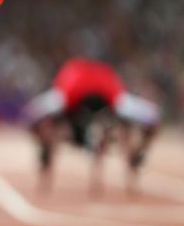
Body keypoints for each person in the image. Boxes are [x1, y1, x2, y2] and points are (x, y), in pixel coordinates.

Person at [23, 57, 159, 194]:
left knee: (42, 122)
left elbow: (31, 115)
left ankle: (135, 157)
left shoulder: (78, 84)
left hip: (93, 101)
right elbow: (151, 118)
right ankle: (45, 153)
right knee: (45, 124)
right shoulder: (77, 83)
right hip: (85, 102)